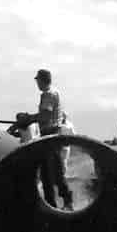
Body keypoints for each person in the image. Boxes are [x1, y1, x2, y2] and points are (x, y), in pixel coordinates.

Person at [34, 68, 74, 211]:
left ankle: (58, 203)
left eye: (37, 80)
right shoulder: (54, 92)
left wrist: (28, 119)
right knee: (52, 172)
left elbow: (45, 115)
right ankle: (62, 201)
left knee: (50, 173)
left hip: (49, 136)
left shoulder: (48, 94)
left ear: (42, 80)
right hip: (52, 135)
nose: (36, 83)